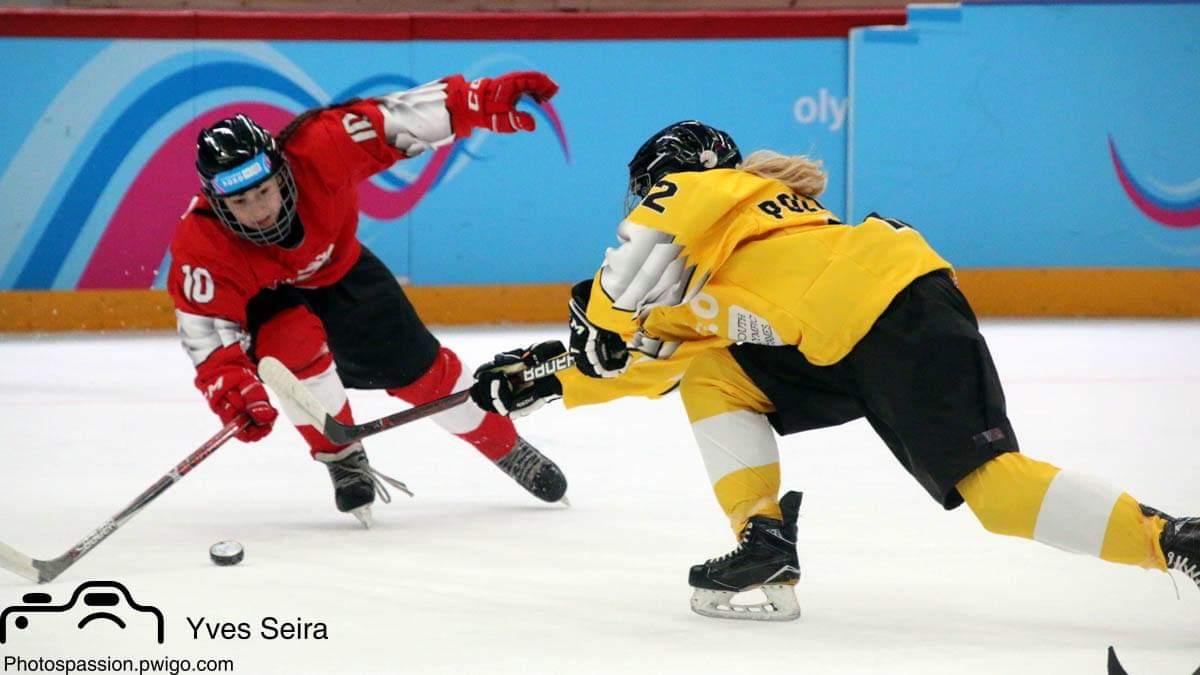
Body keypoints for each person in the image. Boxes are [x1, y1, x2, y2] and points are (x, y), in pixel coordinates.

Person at [469, 120, 1199, 620]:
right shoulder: (728, 255)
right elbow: (651, 357)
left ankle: (1175, 540)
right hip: (849, 335)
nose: (646, 200)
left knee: (998, 492)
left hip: (886, 313)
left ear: (673, 177)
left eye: (650, 188)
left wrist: (597, 319)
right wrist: (542, 376)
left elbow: (641, 255)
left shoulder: (715, 192)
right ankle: (764, 538)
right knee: (714, 372)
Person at [168, 71, 568, 527]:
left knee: (424, 373)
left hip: (341, 273)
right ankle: (341, 457)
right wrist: (233, 390)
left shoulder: (322, 147)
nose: (259, 211)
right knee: (292, 347)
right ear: (217, 203)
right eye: (240, 203)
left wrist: (476, 101)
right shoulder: (202, 242)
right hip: (268, 304)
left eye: (264, 191)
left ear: (282, 172)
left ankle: (506, 446)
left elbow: (398, 120)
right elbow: (205, 331)